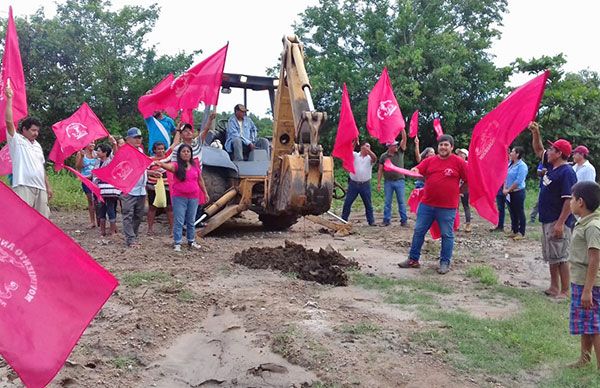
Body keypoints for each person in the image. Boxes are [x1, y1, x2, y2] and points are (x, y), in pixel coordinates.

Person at [398, 134, 468, 274]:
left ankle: (444, 262)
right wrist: (414, 170)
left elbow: (468, 180)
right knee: (419, 231)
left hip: (448, 207)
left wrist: (459, 191)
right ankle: (413, 259)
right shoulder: (430, 161)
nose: (443, 147)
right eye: (441, 144)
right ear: (438, 147)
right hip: (427, 205)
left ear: (451, 147)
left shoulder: (459, 162)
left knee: (447, 235)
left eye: (446, 145)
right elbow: (418, 169)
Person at [530, 122, 578, 298]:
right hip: (547, 218)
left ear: (559, 154)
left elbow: (568, 201)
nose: (548, 152)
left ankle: (565, 290)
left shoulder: (567, 172)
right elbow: (538, 149)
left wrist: (560, 223)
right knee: (552, 255)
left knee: (561, 256)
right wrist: (536, 132)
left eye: (552, 150)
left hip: (558, 220)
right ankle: (553, 286)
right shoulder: (551, 166)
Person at [4, 81, 52, 218]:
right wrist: (9, 99)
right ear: (24, 129)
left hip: (40, 188)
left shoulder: (37, 145)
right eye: (33, 130)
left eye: (37, 131)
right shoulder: (16, 140)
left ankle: (39, 241)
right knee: (21, 218)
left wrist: (47, 186)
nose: (36, 133)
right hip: (23, 185)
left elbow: (40, 167)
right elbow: (8, 121)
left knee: (43, 220)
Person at [567, 181, 600, 369]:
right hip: (581, 281)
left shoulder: (593, 226)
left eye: (572, 199)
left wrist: (587, 290)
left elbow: (595, 259)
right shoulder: (585, 223)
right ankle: (584, 359)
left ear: (580, 202)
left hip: (591, 285)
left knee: (595, 326)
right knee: (586, 323)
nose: (570, 202)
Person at [154, 144, 209, 252]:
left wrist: (205, 193)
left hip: (193, 197)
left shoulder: (195, 166)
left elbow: (200, 180)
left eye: (188, 151)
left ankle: (191, 241)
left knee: (191, 220)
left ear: (191, 154)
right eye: (183, 151)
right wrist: (160, 163)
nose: (186, 153)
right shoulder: (176, 165)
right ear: (179, 154)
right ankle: (177, 242)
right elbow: (168, 167)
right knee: (179, 221)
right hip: (179, 197)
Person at [122, 127, 149, 247]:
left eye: (139, 137)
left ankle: (134, 235)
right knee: (127, 213)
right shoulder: (124, 152)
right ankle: (130, 239)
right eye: (135, 138)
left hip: (141, 189)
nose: (138, 140)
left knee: (139, 214)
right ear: (128, 139)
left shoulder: (141, 151)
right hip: (129, 188)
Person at [341, 141, 377, 226]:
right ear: (361, 147)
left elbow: (375, 158)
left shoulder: (369, 158)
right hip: (353, 184)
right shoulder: (355, 155)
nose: (368, 149)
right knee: (348, 202)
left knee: (368, 203)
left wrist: (369, 151)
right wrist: (353, 142)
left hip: (365, 184)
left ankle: (371, 221)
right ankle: (343, 219)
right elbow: (349, 152)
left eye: (369, 147)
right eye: (366, 146)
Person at [377, 129, 408, 227]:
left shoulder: (400, 152)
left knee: (402, 202)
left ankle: (404, 221)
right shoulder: (383, 156)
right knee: (387, 202)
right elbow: (380, 170)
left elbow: (404, 139)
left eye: (396, 145)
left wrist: (402, 129)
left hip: (400, 181)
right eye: (394, 145)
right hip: (388, 182)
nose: (396, 146)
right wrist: (378, 183)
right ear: (389, 146)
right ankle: (386, 220)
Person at [93, 140, 120, 236]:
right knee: (102, 208)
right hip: (100, 188)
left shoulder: (110, 160)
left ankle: (112, 230)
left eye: (99, 151)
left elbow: (115, 155)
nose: (97, 152)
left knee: (110, 207)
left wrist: (114, 144)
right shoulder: (97, 162)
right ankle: (103, 230)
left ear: (105, 152)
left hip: (109, 188)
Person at [147, 141, 173, 235]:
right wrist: (152, 173)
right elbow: (144, 171)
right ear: (154, 150)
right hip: (152, 186)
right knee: (152, 207)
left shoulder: (168, 159)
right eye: (159, 149)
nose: (161, 151)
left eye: (162, 148)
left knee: (169, 207)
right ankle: (150, 229)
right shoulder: (149, 160)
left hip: (166, 186)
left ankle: (172, 229)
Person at [503, 146, 528, 240]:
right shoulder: (510, 164)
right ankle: (514, 230)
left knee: (519, 211)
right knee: (512, 211)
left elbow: (518, 181)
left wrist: (508, 190)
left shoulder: (522, 166)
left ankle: (521, 232)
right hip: (509, 192)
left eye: (512, 152)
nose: (510, 153)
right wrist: (505, 188)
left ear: (517, 154)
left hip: (517, 192)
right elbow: (505, 176)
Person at [75, 142, 98, 228]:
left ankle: (99, 219)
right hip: (86, 180)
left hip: (96, 180)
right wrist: (81, 156)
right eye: (90, 143)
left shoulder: (97, 153)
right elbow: (78, 167)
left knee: (97, 200)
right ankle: (92, 221)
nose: (92, 144)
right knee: (90, 200)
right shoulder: (81, 153)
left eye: (93, 143)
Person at [455, 148, 472, 233]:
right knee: (455, 206)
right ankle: (455, 224)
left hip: (464, 188)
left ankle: (468, 224)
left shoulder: (468, 164)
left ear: (466, 156)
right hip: (455, 188)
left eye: (462, 153)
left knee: (465, 205)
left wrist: (462, 189)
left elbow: (468, 178)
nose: (460, 155)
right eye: (459, 153)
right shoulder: (455, 164)